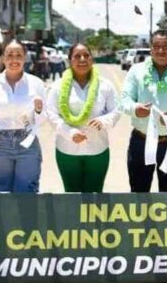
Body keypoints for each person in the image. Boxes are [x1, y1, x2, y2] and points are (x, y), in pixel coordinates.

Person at [119, 30, 167, 192]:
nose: (161, 51)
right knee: (138, 192)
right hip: (140, 141)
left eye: (166, 46)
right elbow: (124, 100)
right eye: (156, 46)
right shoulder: (136, 70)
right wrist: (135, 109)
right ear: (150, 48)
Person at [48, 42, 120, 192]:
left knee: (95, 195)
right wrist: (69, 132)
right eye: (77, 56)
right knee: (71, 194)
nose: (82, 59)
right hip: (67, 150)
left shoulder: (105, 85)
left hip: (98, 150)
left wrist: (103, 121)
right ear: (69, 60)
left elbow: (116, 111)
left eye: (86, 55)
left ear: (92, 60)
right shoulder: (58, 86)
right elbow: (52, 114)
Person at [0, 40, 46, 193]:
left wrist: (38, 110)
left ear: (25, 58)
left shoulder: (36, 83)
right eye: (9, 55)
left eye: (18, 55)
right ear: (2, 58)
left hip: (27, 143)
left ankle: (26, 218)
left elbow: (42, 119)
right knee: (0, 191)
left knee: (27, 192)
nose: (14, 59)